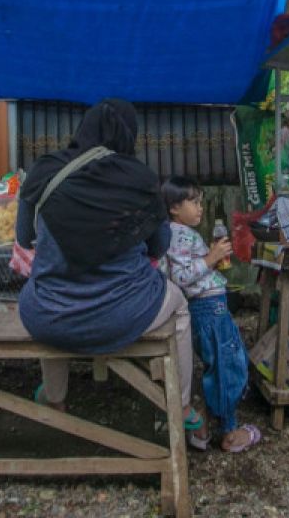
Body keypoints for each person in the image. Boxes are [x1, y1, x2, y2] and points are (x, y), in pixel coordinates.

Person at [16, 98, 210, 448]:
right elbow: (158, 246)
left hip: (52, 319)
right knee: (180, 303)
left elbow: (23, 238)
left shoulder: (44, 172)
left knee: (42, 288)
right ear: (129, 136)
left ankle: (56, 398)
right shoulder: (140, 181)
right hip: (126, 314)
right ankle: (179, 406)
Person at [161, 176, 262, 453]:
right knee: (228, 363)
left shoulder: (178, 233)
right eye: (193, 202)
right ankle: (229, 430)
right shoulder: (178, 234)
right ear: (173, 207)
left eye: (200, 202)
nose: (200, 208)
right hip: (209, 309)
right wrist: (211, 258)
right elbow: (180, 276)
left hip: (208, 306)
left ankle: (202, 429)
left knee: (214, 363)